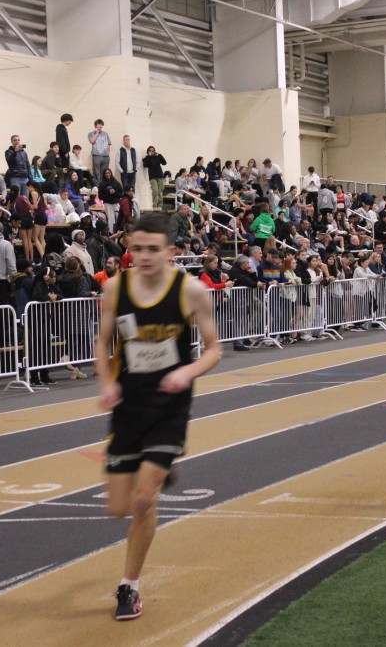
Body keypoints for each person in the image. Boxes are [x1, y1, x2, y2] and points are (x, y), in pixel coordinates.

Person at [95, 211, 221, 621]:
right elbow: (102, 341)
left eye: (153, 249)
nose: (144, 256)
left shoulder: (191, 291)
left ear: (171, 251)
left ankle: (129, 586)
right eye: (137, 249)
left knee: (143, 501)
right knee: (117, 508)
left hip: (169, 405)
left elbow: (214, 350)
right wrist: (106, 384)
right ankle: (158, 467)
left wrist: (187, 372)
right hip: (129, 404)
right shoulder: (115, 289)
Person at [88, 119, 112, 186]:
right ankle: (97, 187)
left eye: (101, 124)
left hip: (105, 156)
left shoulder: (105, 134)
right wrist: (97, 133)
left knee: (104, 173)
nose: (100, 125)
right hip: (96, 155)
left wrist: (108, 154)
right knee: (96, 173)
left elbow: (109, 144)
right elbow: (92, 141)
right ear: (96, 125)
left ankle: (103, 187)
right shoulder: (91, 133)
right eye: (99, 124)